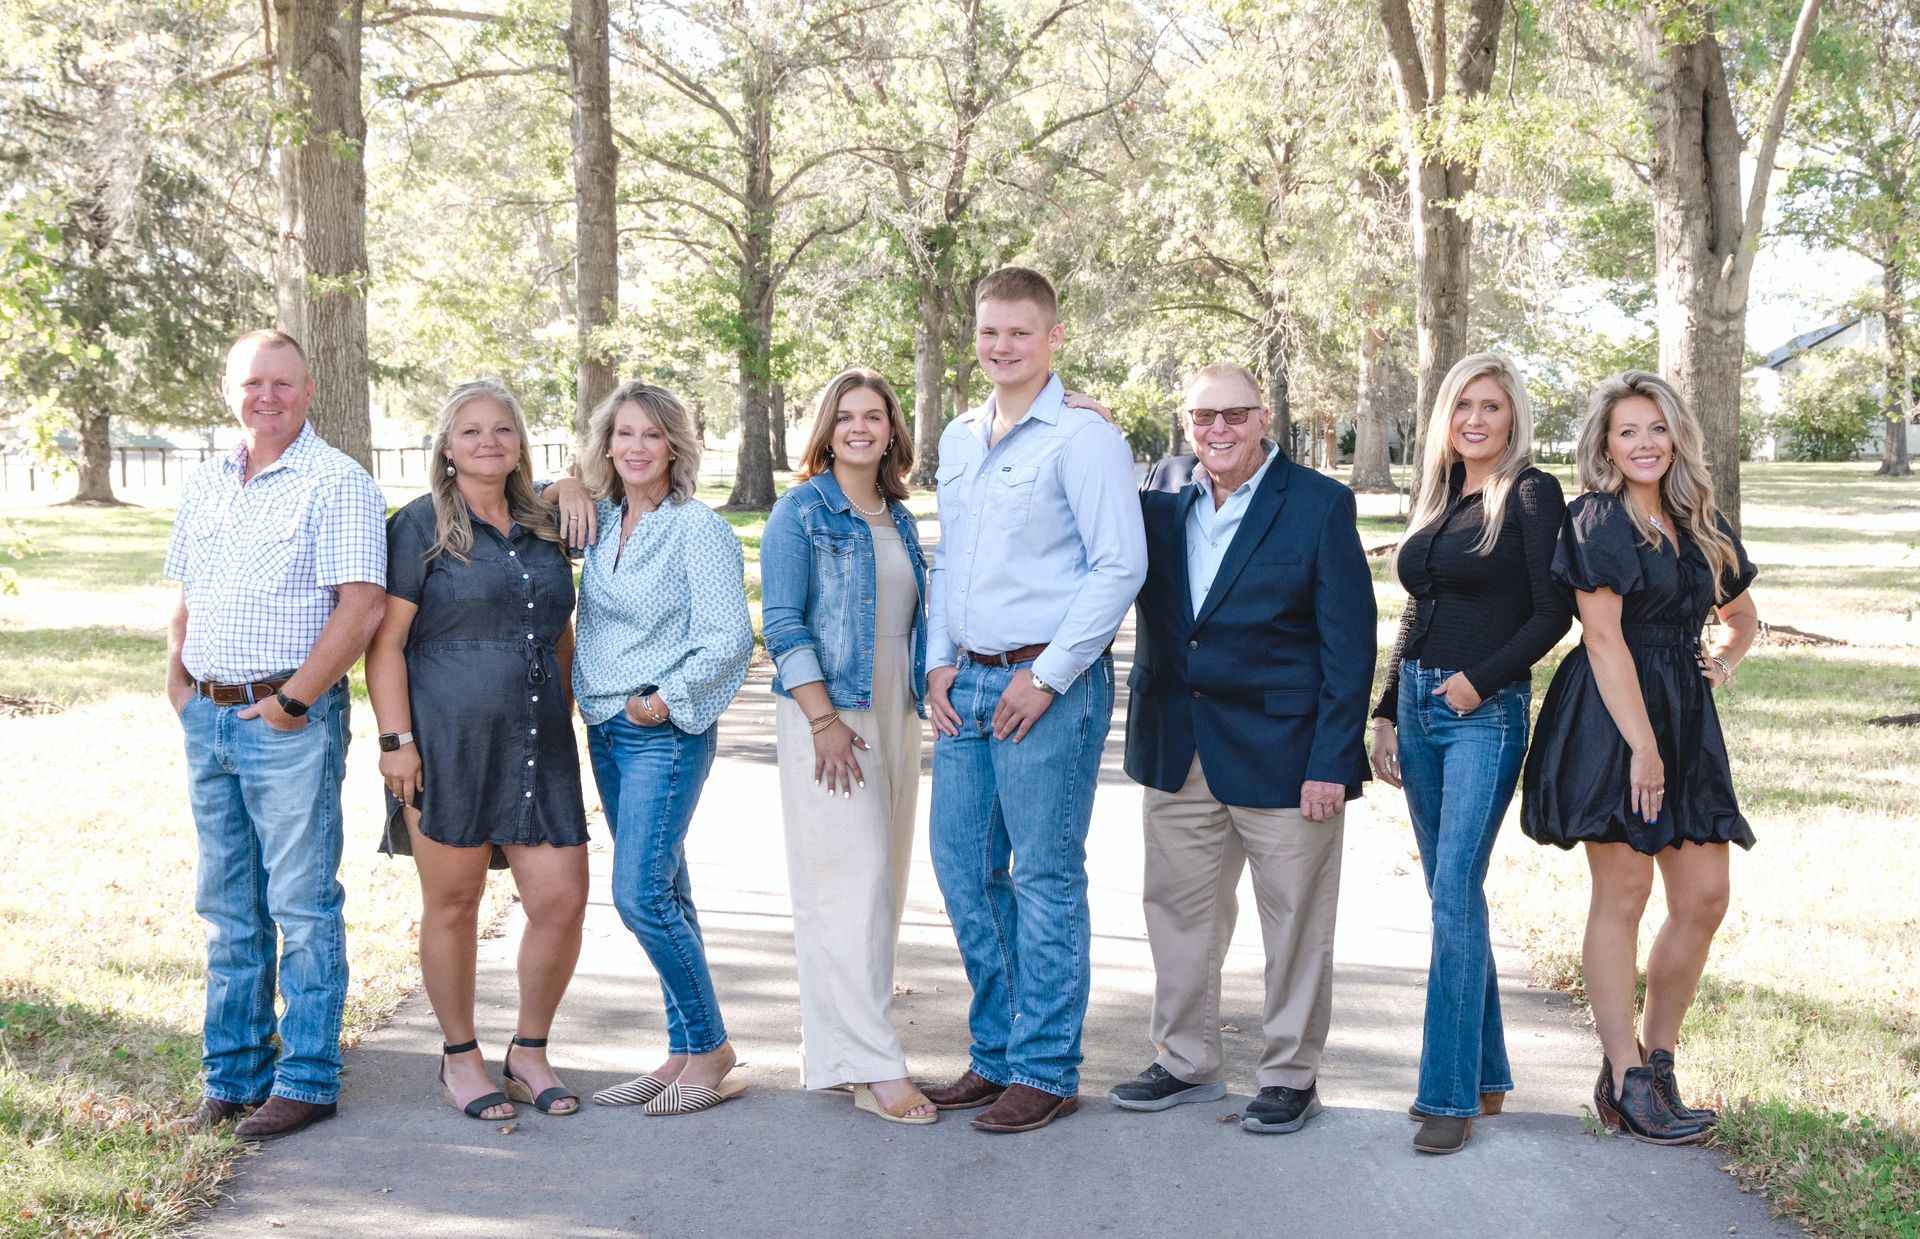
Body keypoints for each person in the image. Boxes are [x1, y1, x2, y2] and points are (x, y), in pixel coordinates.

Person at [1110, 362, 1374, 1136]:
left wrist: (1333, 759)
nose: (1217, 430)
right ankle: (1186, 1061)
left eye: (1233, 415)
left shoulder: (1320, 505)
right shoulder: (1159, 498)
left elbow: (1349, 645)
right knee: (1179, 910)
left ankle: (1291, 1073)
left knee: (1294, 917)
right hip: (1178, 743)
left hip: (1287, 754)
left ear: (1264, 419)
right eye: (1202, 418)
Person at [920, 267, 1147, 1134]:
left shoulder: (1083, 440)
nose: (1002, 346)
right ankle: (997, 1053)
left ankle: (1046, 1066)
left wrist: (1046, 675)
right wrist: (938, 662)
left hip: (1048, 687)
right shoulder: (957, 438)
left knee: (1043, 875)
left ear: (1053, 338)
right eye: (988, 332)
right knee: (965, 869)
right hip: (965, 682)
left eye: (1019, 332)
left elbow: (1119, 565)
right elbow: (950, 560)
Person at [1521, 370, 1758, 1146]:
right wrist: (1643, 747)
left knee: (1705, 897)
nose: (1644, 443)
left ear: (1676, 435)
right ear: (1606, 444)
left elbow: (1742, 615)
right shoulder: (1596, 518)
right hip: (1614, 716)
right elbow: (1601, 636)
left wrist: (1721, 662)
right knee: (1622, 892)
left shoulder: (1700, 519)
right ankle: (1623, 1072)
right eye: (1628, 431)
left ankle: (1657, 1064)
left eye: (1656, 428)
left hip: (1685, 716)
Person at [163, 330, 386, 1141]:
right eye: (253, 382)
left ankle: (308, 1077)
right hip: (210, 717)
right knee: (228, 905)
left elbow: (361, 605)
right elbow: (189, 588)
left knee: (300, 901)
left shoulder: (337, 482)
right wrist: (179, 677)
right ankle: (232, 1076)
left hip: (287, 720)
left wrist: (295, 700)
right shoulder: (208, 480)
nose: (268, 396)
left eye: (282, 383)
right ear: (230, 388)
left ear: (310, 388)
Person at [364, 380, 590, 1122]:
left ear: (521, 442)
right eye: (470, 431)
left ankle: (529, 1051)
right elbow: (386, 643)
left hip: (539, 742)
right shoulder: (419, 526)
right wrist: (395, 742)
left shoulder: (547, 524)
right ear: (446, 446)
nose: (487, 441)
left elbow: (560, 631)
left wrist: (560, 717)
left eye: (502, 429)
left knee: (560, 901)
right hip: (445, 742)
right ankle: (459, 1057)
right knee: (454, 903)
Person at [1366, 352, 1572, 1155]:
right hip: (1417, 712)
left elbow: (1552, 613)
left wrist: (1477, 684)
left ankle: (1446, 1093)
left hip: (1481, 716)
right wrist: (1388, 712)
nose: (1476, 420)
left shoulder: (1529, 493)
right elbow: (1417, 608)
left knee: (1454, 891)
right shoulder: (1442, 493)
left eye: (1491, 406)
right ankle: (1484, 1075)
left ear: (1514, 414)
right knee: (1452, 894)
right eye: (1463, 407)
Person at [556, 380, 754, 1117]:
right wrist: (566, 479)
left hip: (660, 732)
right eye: (623, 434)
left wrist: (661, 699)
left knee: (638, 893)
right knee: (670, 891)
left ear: (676, 445)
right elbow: (540, 499)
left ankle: (712, 1047)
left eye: (651, 435)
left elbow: (729, 636)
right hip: (604, 729)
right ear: (607, 443)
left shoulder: (695, 528)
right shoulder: (602, 521)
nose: (636, 447)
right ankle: (682, 1050)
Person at [760, 368, 935, 1125]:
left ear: (894, 428)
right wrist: (826, 721)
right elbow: (782, 621)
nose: (860, 428)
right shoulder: (800, 512)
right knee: (849, 886)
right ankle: (875, 1064)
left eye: (874, 416)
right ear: (825, 429)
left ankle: (839, 1053)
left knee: (880, 889)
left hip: (896, 712)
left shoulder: (898, 517)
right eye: (845, 416)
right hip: (832, 718)